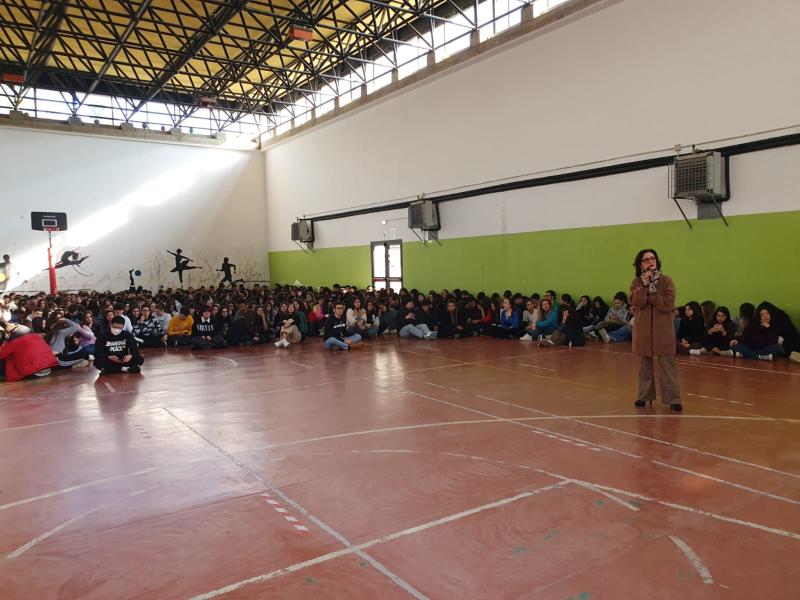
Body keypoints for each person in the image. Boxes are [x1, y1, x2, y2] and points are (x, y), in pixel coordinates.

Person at [630, 249, 682, 411]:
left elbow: (667, 304)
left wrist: (651, 296)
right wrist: (644, 287)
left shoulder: (666, 281)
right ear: (641, 265)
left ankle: (673, 399)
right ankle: (644, 396)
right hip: (643, 331)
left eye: (653, 258)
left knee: (667, 366)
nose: (650, 261)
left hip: (663, 330)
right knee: (644, 366)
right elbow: (636, 303)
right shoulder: (636, 283)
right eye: (646, 260)